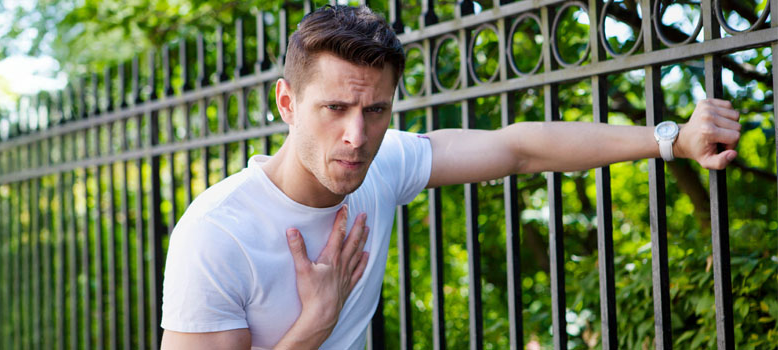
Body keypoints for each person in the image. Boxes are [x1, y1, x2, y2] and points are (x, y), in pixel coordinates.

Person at [159, 5, 741, 349]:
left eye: (376, 111)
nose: (357, 137)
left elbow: (517, 149)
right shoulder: (216, 235)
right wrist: (316, 324)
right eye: (334, 109)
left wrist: (671, 140)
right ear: (287, 103)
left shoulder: (382, 167)